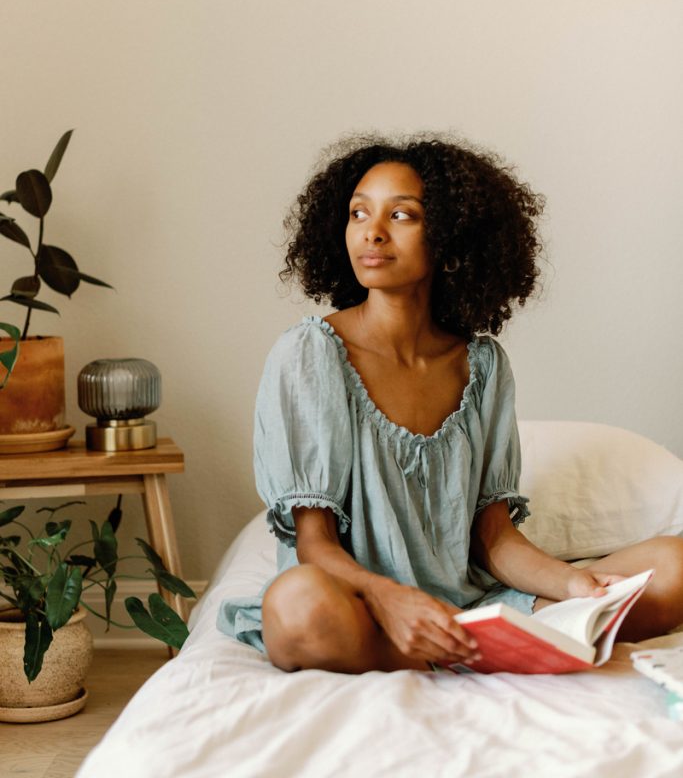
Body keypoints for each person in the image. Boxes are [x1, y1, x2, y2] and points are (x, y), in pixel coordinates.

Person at [218, 134, 683, 673]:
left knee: (673, 566)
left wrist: (574, 584)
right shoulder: (310, 355)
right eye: (358, 213)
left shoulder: (482, 366)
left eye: (402, 215)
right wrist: (392, 600)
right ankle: (468, 651)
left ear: (450, 236)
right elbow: (313, 545)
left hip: (475, 604)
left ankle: (467, 643)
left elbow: (494, 538)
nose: (372, 231)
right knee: (295, 607)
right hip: (362, 605)